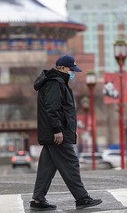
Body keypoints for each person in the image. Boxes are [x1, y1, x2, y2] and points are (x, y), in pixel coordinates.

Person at [30, 55, 102, 211]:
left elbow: (63, 110)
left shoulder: (59, 82)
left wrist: (71, 130)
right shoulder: (55, 83)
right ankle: (82, 198)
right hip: (57, 133)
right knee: (71, 164)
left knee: (47, 167)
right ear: (62, 68)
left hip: (59, 132)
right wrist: (57, 130)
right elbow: (52, 108)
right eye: (71, 70)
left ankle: (37, 200)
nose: (73, 73)